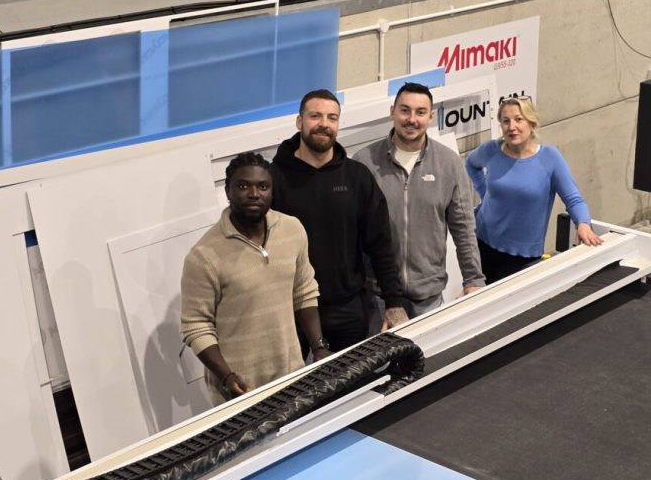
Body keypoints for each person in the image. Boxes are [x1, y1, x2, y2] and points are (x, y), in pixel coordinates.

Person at [181, 152, 329, 407]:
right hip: (238, 391)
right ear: (227, 191)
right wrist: (226, 376)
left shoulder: (292, 229)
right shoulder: (202, 256)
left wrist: (318, 347)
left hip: (291, 378)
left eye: (262, 186)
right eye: (243, 186)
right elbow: (196, 326)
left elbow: (304, 291)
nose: (253, 194)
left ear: (272, 191)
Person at [271, 89, 409, 351]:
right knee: (294, 391)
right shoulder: (273, 179)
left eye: (332, 117)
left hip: (347, 308)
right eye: (315, 116)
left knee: (351, 387)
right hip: (289, 311)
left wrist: (394, 301)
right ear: (299, 122)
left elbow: (380, 244)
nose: (324, 123)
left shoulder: (357, 177)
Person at [353, 82, 485, 317]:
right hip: (376, 297)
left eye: (420, 112)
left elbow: (463, 228)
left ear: (431, 117)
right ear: (392, 111)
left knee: (429, 355)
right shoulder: (365, 162)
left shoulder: (449, 163)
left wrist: (473, 279)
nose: (411, 119)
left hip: (428, 296)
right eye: (405, 110)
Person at [465, 96, 602, 284]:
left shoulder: (549, 158)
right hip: (482, 242)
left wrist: (583, 224)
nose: (511, 126)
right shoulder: (491, 150)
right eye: (506, 121)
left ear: (532, 123)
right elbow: (471, 165)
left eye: (518, 119)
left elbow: (574, 199)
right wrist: (485, 193)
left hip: (523, 257)